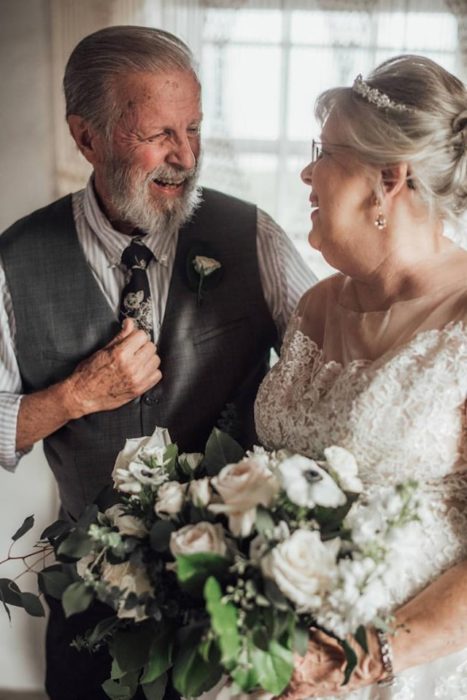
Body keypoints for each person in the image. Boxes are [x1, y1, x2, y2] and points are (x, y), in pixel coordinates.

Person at [0, 25, 315, 700]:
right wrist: (73, 396)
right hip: (89, 611)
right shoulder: (16, 259)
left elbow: (328, 370)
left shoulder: (250, 233)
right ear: (86, 137)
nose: (185, 156)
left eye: (193, 128)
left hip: (235, 606)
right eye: (158, 135)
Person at [255, 54, 467, 699]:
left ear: (389, 178)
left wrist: (356, 659)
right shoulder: (316, 305)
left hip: (404, 668)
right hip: (273, 655)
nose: (306, 171)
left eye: (323, 151)